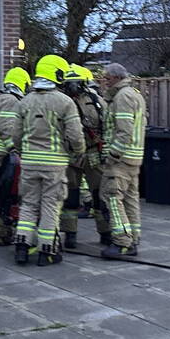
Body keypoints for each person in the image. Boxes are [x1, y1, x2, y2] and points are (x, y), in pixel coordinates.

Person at [11, 55, 85, 266]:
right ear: (57, 74)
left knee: (28, 204)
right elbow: (75, 135)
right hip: (54, 164)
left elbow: (15, 134)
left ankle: (21, 248)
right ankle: (47, 251)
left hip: (29, 163)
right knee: (50, 206)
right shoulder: (65, 102)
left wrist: (21, 151)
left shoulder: (24, 101)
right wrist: (79, 152)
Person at [59, 64, 110, 248]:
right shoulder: (62, 102)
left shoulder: (96, 100)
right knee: (71, 195)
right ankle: (70, 234)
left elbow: (108, 123)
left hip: (93, 153)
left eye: (76, 83)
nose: (73, 87)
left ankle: (105, 232)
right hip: (71, 154)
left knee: (99, 194)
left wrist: (105, 147)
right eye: (69, 83)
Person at [99, 63, 147, 258]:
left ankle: (121, 242)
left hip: (121, 160)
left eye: (106, 78)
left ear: (116, 78)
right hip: (134, 157)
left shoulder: (122, 97)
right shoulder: (134, 93)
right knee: (130, 199)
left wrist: (112, 156)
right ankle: (133, 238)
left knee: (112, 198)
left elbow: (123, 130)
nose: (103, 81)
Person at [0, 66, 31, 246]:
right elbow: (8, 128)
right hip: (4, 154)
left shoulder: (0, 98)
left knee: (1, 194)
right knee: (7, 196)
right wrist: (14, 150)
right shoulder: (12, 101)